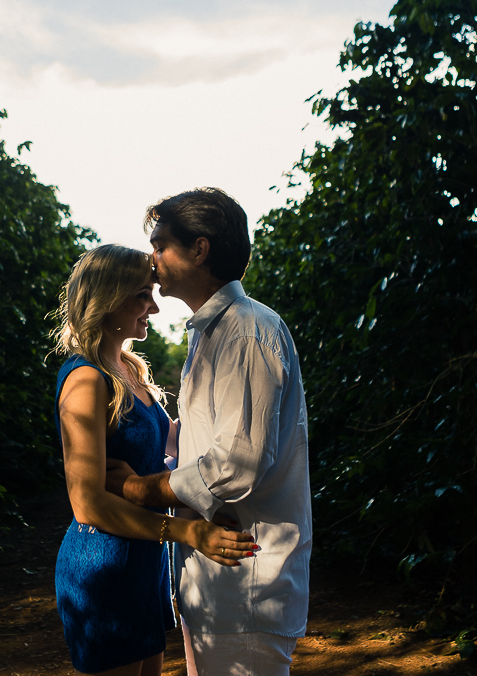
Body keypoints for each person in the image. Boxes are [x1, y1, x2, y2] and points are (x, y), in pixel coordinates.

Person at [107, 189, 312, 676]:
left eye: (160, 244)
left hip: (245, 583)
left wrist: (141, 488)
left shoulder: (246, 332)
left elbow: (237, 463)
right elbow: (207, 444)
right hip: (214, 577)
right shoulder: (211, 332)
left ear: (199, 250)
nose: (150, 259)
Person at [51, 244, 257, 676]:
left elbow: (166, 441)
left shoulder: (128, 368)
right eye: (143, 295)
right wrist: (187, 532)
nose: (154, 307)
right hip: (104, 568)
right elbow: (87, 504)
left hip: (144, 565)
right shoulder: (86, 379)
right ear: (109, 299)